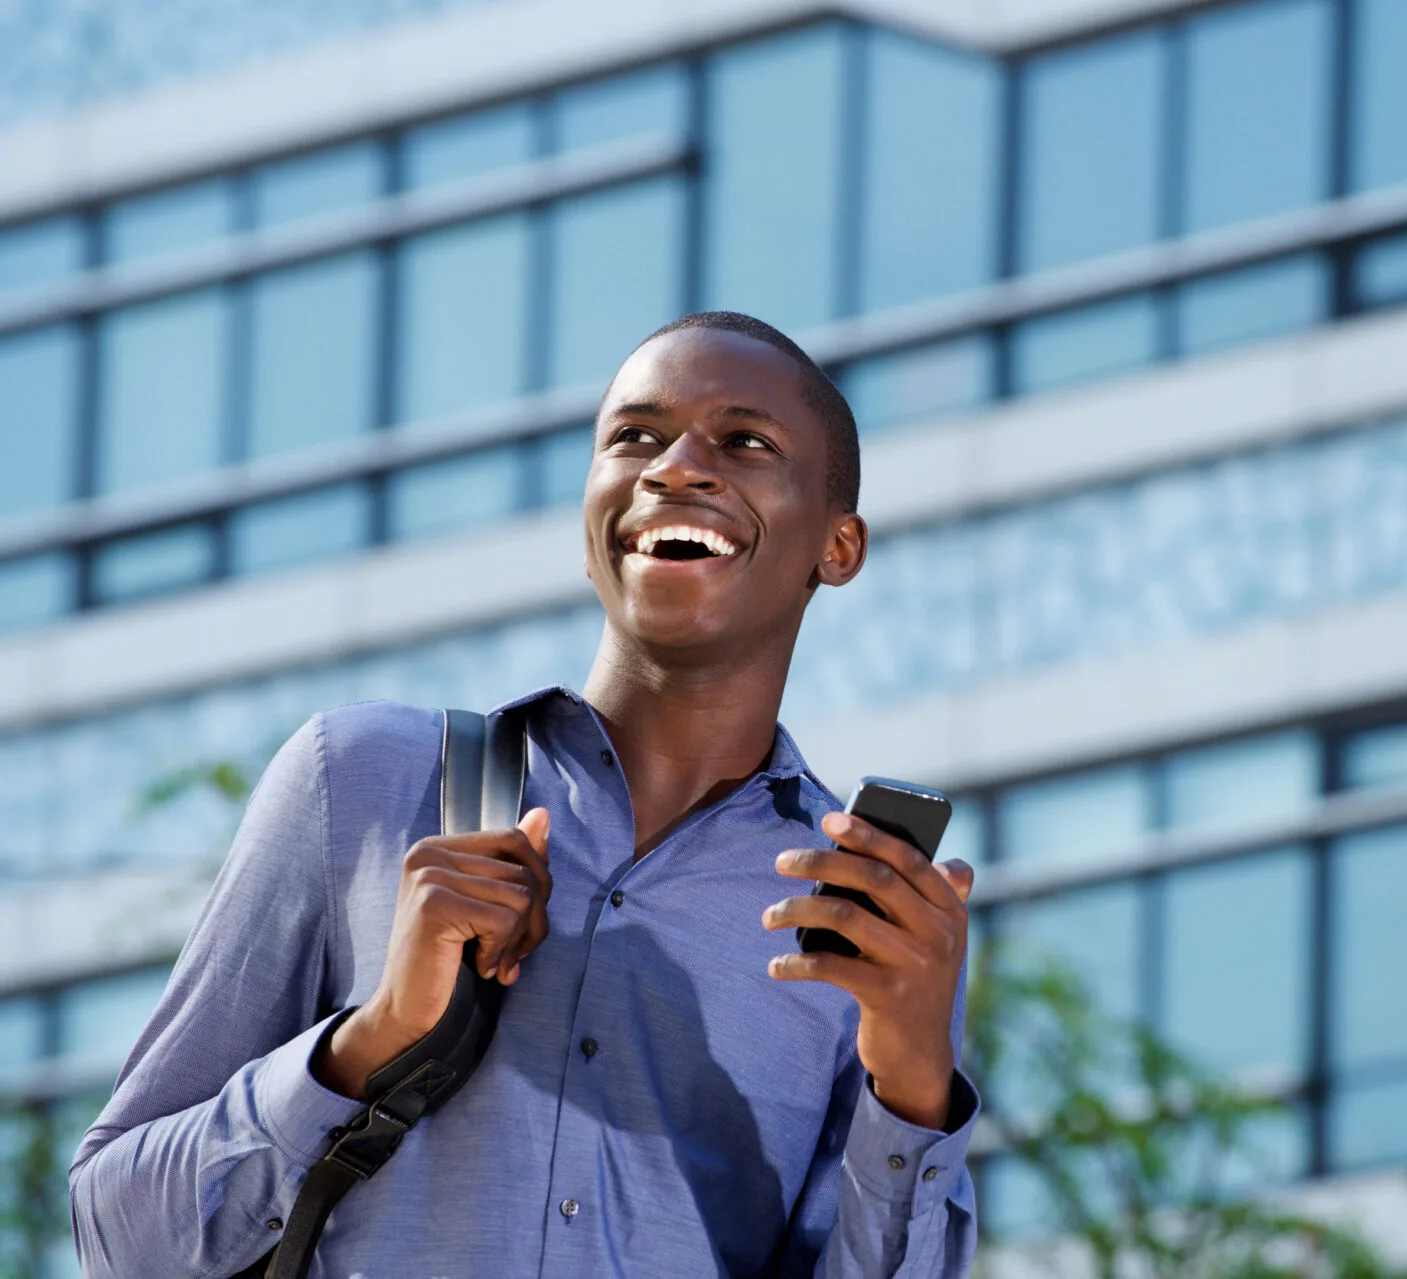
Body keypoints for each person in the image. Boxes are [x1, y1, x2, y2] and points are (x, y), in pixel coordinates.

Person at [69, 312, 980, 1277]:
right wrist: (371, 1040)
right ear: (590, 528)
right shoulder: (363, 780)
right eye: (635, 437)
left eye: (745, 442)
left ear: (838, 547)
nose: (675, 468)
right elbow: (117, 1236)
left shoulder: (864, 917)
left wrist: (913, 1088)